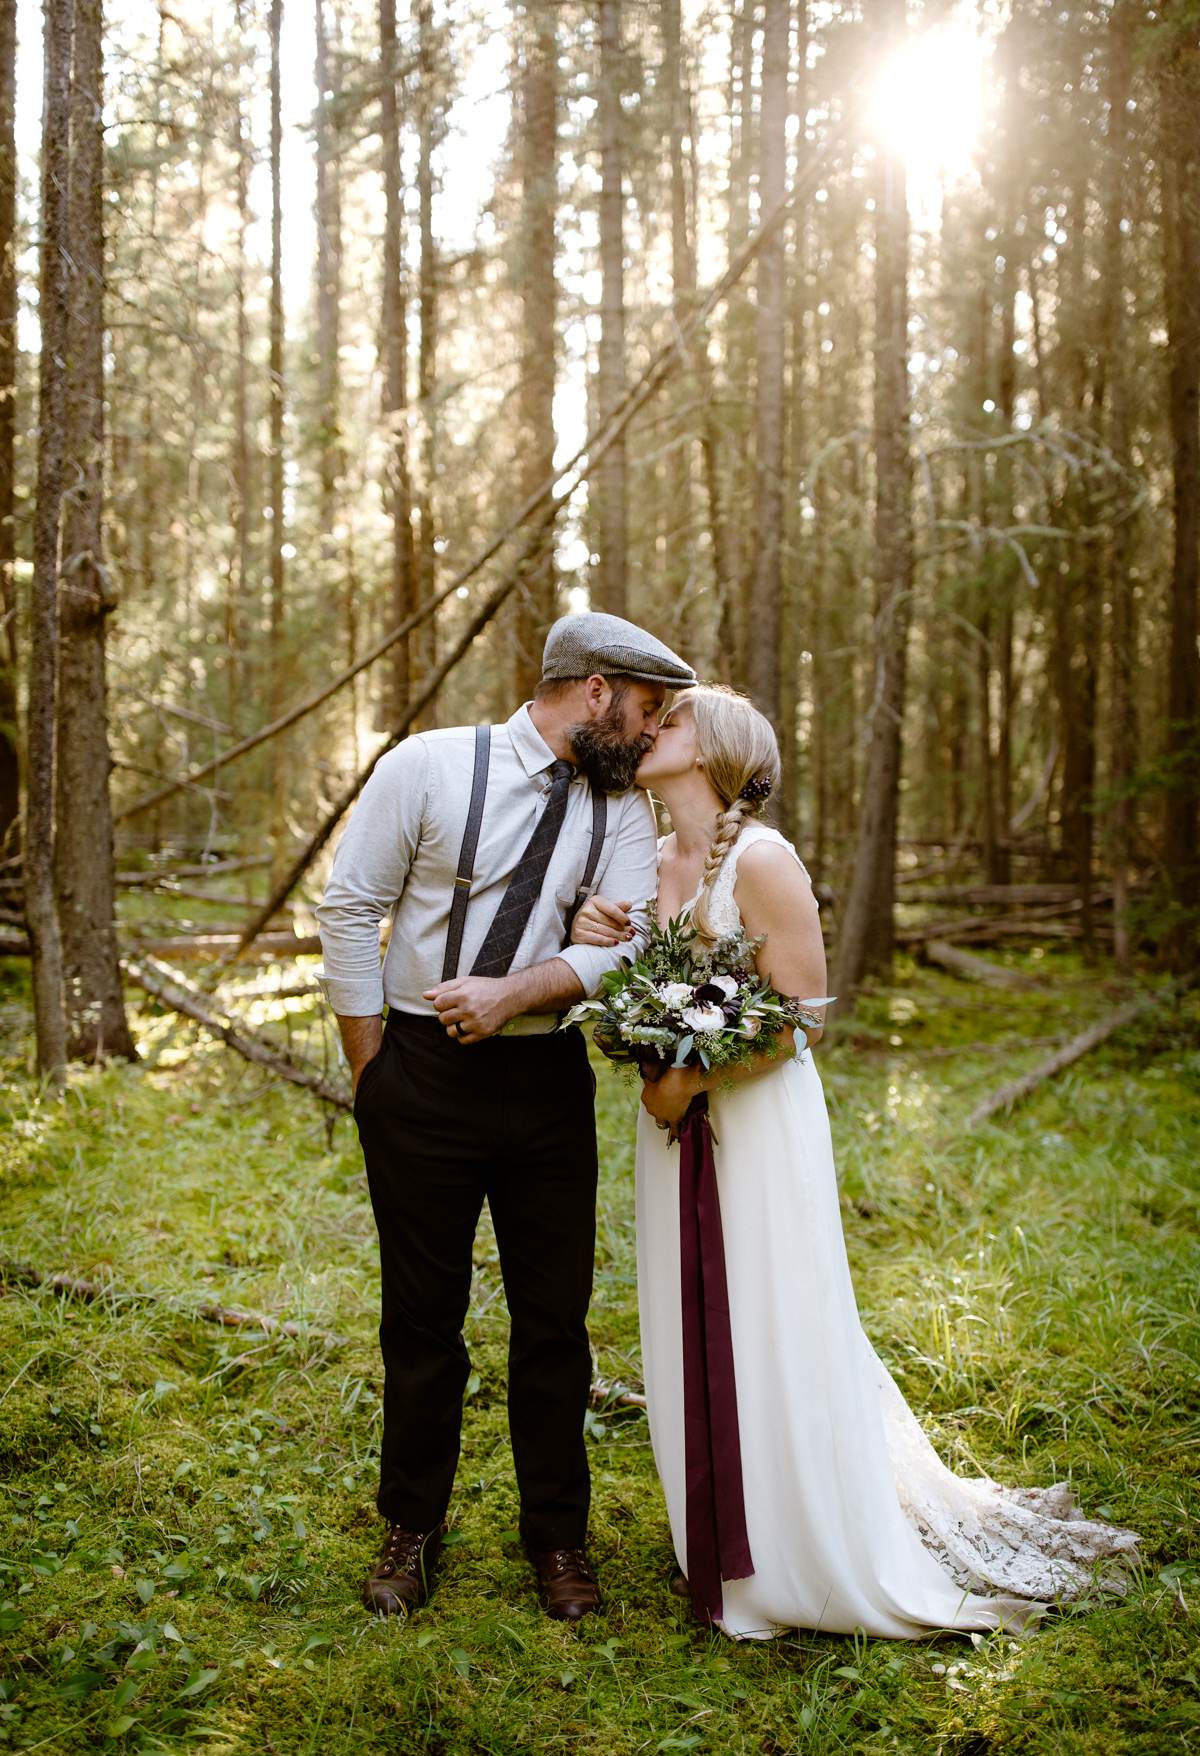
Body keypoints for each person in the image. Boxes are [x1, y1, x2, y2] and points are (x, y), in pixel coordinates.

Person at [570, 685, 1138, 1639]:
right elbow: (643, 981)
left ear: (721, 751)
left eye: (674, 718)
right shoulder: (653, 854)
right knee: (684, 1314)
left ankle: (802, 1549)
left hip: (752, 1124)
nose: (653, 724)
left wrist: (694, 1082)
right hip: (670, 1129)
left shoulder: (762, 860)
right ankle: (716, 1535)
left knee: (769, 1312)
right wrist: (604, 945)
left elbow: (804, 1019)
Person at [315, 613, 695, 1621]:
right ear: (597, 690)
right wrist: (371, 1068)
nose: (651, 735)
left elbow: (626, 944)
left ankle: (559, 1543)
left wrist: (515, 993)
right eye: (647, 710)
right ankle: (410, 1530)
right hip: (417, 1077)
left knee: (555, 1324)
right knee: (422, 1321)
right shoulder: (428, 766)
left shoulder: (620, 808)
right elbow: (351, 905)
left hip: (545, 1085)